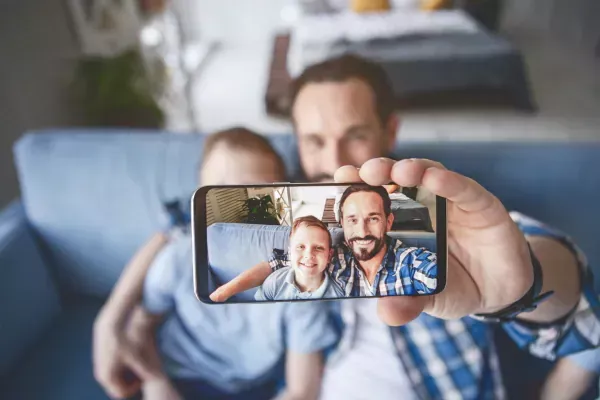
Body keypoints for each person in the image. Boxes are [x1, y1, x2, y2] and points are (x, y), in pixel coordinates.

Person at [207, 54, 599, 399]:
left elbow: (569, 299)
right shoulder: (294, 225)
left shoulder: (450, 220)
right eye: (314, 141)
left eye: (355, 136)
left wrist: (521, 289)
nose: (333, 160)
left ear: (389, 130)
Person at [93, 127, 338, 400]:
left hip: (255, 386)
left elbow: (302, 389)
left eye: (256, 199)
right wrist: (157, 383)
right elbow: (142, 324)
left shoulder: (299, 280)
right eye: (218, 195)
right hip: (180, 375)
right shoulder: (177, 259)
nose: (234, 212)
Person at [232, 184, 437, 300]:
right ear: (342, 224)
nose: (362, 232)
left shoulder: (412, 263)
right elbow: (277, 263)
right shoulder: (331, 256)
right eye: (352, 220)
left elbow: (436, 273)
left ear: (388, 222)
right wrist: (223, 294)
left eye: (373, 219)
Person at [254, 215, 344, 300]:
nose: (308, 255)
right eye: (301, 247)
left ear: (329, 256)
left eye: (318, 248)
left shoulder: (339, 295)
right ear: (290, 252)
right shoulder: (274, 282)